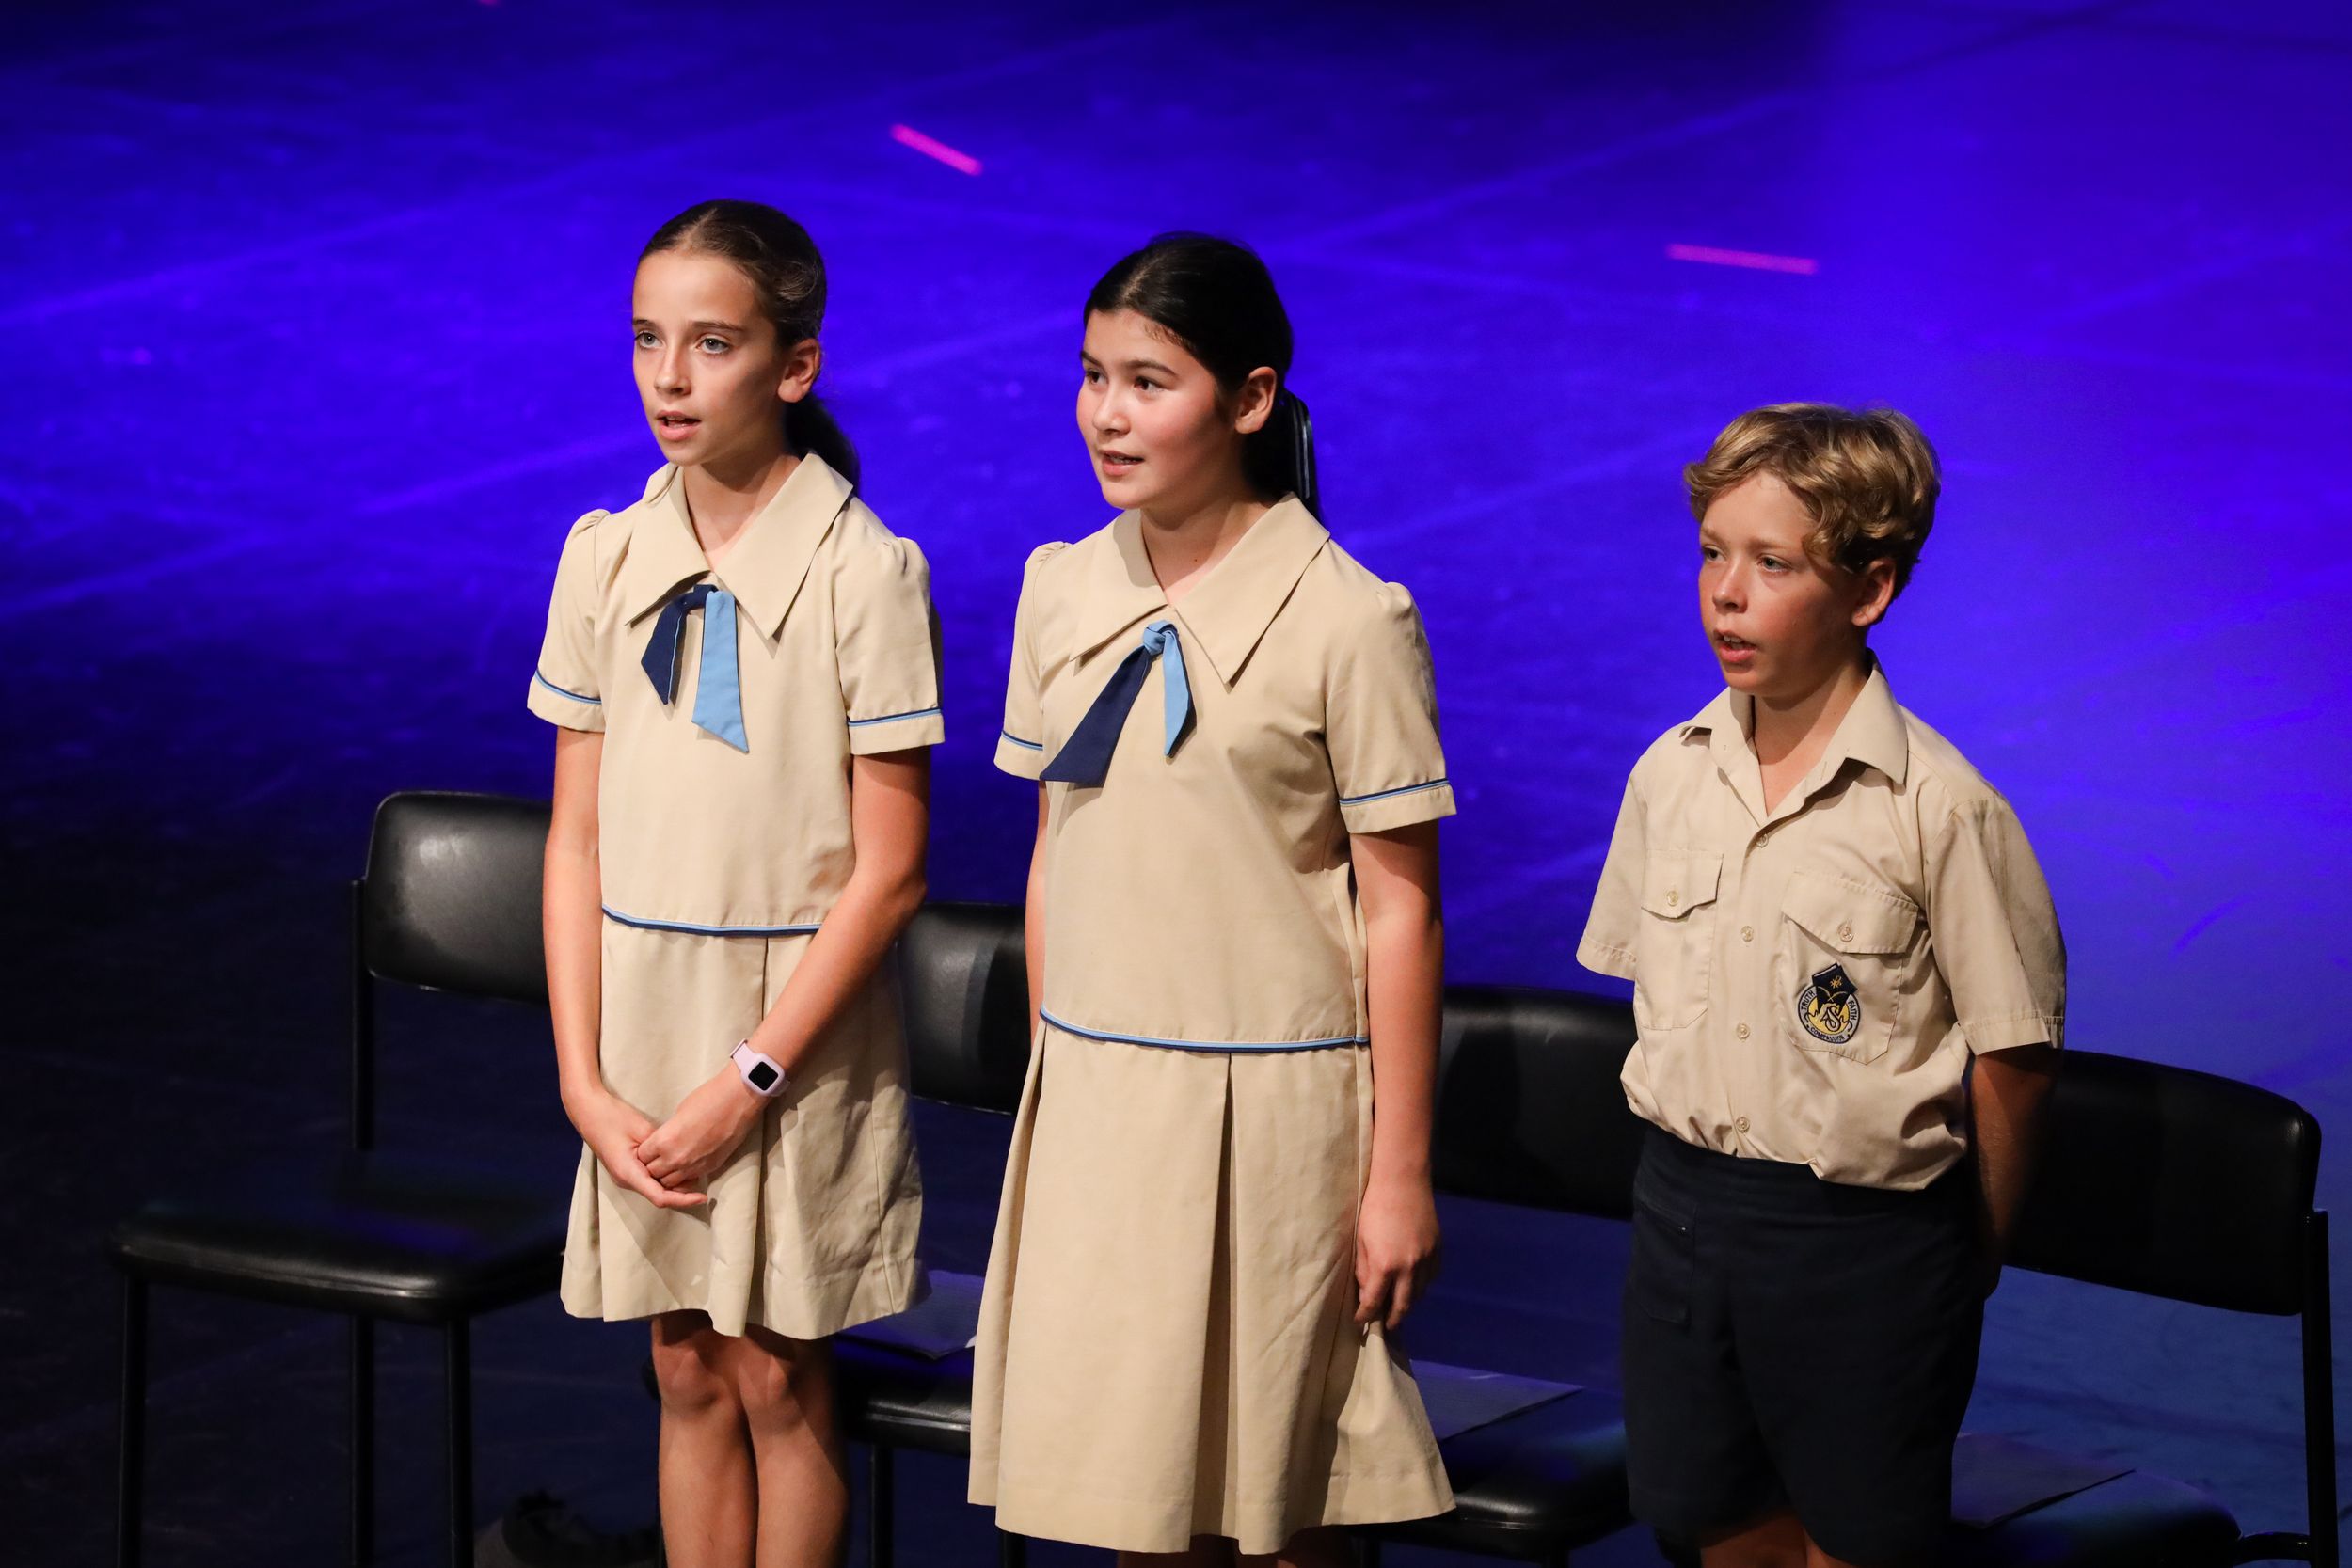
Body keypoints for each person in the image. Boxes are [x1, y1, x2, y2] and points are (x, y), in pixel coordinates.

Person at [967, 232, 1457, 1567]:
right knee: (1139, 1500)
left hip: (1277, 1117)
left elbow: (1401, 910)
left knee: (1280, 1507)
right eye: (1093, 376)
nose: (1107, 414)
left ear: (1249, 399)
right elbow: (1057, 845)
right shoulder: (1061, 588)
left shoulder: (1349, 619)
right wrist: (1059, 1072)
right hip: (1104, 1104)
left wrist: (1397, 1175)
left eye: (1149, 381)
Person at [1579, 404, 2064, 1568]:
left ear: (1869, 589)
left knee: (1853, 1539)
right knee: (1718, 1528)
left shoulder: (1938, 807)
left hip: (1861, 1247)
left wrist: (1964, 1256)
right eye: (1712, 553)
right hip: (1686, 1222)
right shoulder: (1669, 776)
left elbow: (2012, 1054)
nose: (1725, 594)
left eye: (1773, 563)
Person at [531, 199, 941, 1568]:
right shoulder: (605, 554)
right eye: (648, 339)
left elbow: (890, 871)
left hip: (791, 1042)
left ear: (794, 365)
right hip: (644, 1027)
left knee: (773, 1368)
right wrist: (585, 1078)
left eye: (712, 344)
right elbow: (575, 840)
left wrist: (749, 1077)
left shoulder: (864, 575)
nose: (670, 376)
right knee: (686, 1362)